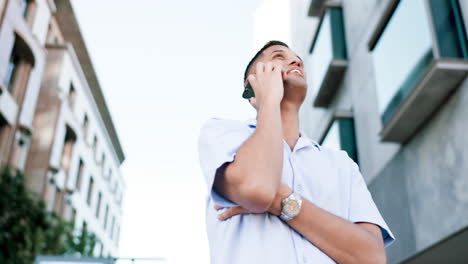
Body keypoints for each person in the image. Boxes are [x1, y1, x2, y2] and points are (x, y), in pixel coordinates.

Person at [198, 40, 395, 264]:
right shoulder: (223, 133)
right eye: (278, 57)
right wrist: (269, 99)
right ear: (251, 84)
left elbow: (372, 258)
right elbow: (258, 190)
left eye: (297, 59)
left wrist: (281, 199)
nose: (295, 61)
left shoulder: (340, 164)